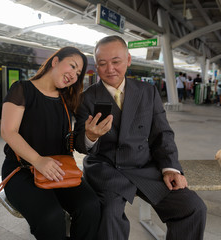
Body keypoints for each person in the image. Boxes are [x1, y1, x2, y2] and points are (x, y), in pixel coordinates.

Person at [74, 35, 207, 240]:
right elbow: (80, 144)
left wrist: (170, 168)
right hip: (106, 168)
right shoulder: (86, 98)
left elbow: (162, 134)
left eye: (116, 62)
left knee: (192, 207)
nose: (110, 69)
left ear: (128, 60)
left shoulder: (148, 92)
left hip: (143, 167)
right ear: (97, 66)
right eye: (102, 64)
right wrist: (90, 136)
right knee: (109, 215)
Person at [0, 46, 100, 240]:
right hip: (22, 171)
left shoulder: (66, 99)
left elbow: (74, 139)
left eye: (78, 73)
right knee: (51, 217)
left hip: (58, 168)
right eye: (71, 66)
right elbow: (8, 131)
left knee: (90, 206)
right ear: (55, 61)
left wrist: (91, 134)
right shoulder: (22, 89)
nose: (73, 75)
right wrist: (38, 160)